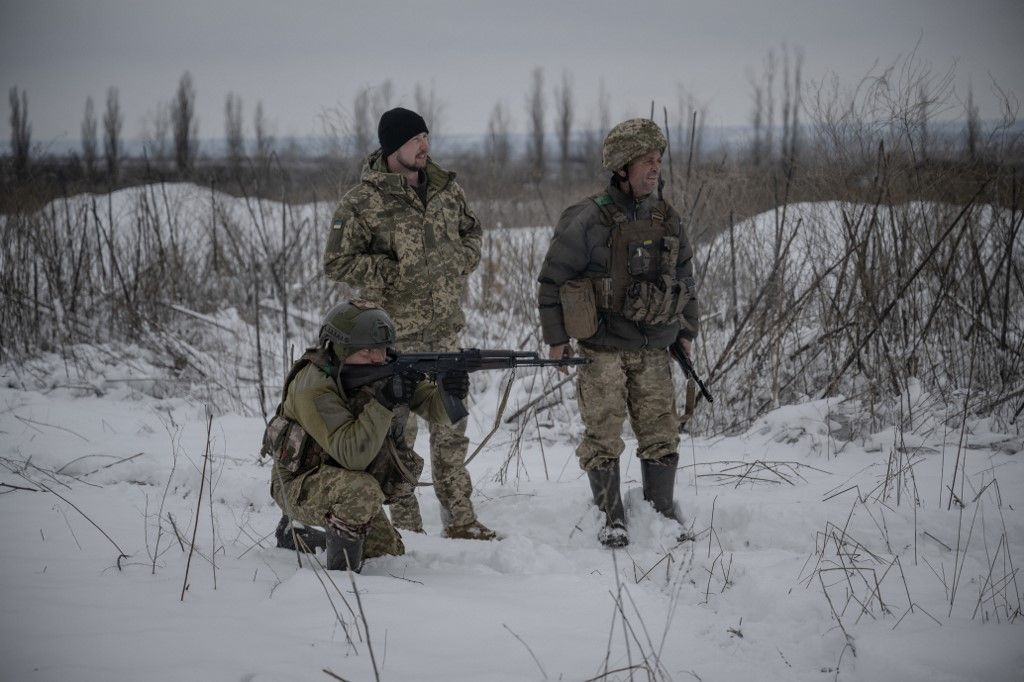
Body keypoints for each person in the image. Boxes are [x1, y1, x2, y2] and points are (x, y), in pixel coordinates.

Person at [323, 107, 495, 540]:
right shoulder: (362, 202)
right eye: (415, 139)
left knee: (452, 425)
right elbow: (336, 261)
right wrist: (392, 271)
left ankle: (460, 519)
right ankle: (406, 526)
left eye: (426, 136)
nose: (425, 145)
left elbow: (472, 233)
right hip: (392, 338)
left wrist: (460, 258)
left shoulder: (445, 189)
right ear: (391, 146)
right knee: (399, 432)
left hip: (445, 331)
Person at [536, 118, 700, 548]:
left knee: (661, 432)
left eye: (658, 160)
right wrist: (556, 339)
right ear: (623, 166)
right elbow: (552, 279)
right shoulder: (586, 219)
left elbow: (684, 275)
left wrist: (687, 330)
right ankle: (611, 516)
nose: (655, 169)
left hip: (653, 346)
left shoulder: (666, 217)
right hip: (603, 349)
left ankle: (661, 511)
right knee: (603, 435)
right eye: (648, 161)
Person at [263, 300, 470, 571]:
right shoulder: (312, 386)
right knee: (362, 493)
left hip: (342, 477)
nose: (378, 358)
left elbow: (434, 408)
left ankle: (298, 533)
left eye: (383, 349)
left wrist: (450, 391)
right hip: (298, 482)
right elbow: (353, 456)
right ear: (340, 349)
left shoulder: (385, 368)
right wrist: (384, 402)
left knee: (387, 553)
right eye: (368, 351)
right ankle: (344, 580)